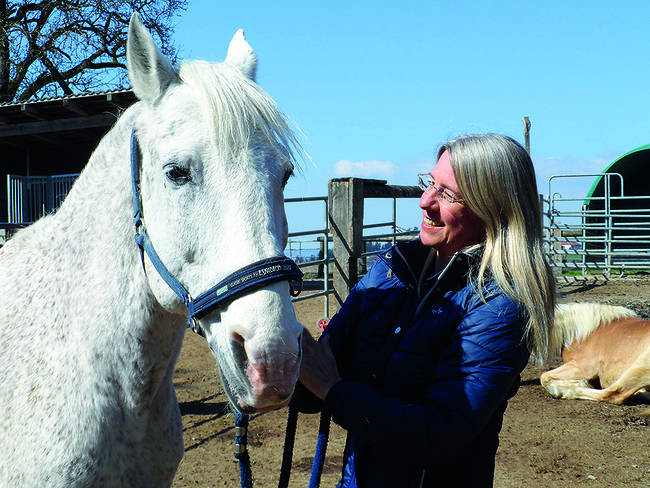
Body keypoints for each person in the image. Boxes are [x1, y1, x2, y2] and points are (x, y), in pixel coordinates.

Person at [293, 133, 556, 487]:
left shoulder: (501, 305)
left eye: (447, 194)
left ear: (492, 211)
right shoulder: (389, 270)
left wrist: (333, 389)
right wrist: (287, 359)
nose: (424, 201)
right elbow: (310, 389)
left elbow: (438, 434)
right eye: (430, 183)